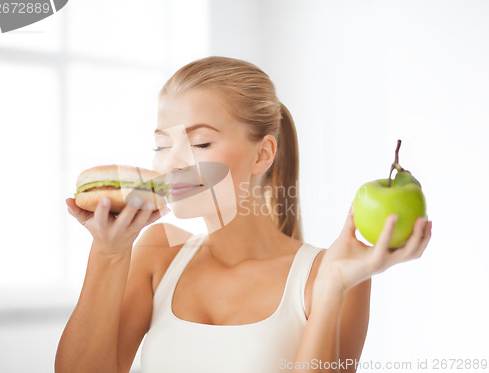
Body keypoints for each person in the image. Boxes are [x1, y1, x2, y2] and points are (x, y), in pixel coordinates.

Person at [55, 56, 432, 373]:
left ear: (262, 154)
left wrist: (333, 286)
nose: (170, 163)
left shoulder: (327, 274)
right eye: (161, 145)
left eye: (200, 142)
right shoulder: (158, 252)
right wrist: (109, 252)